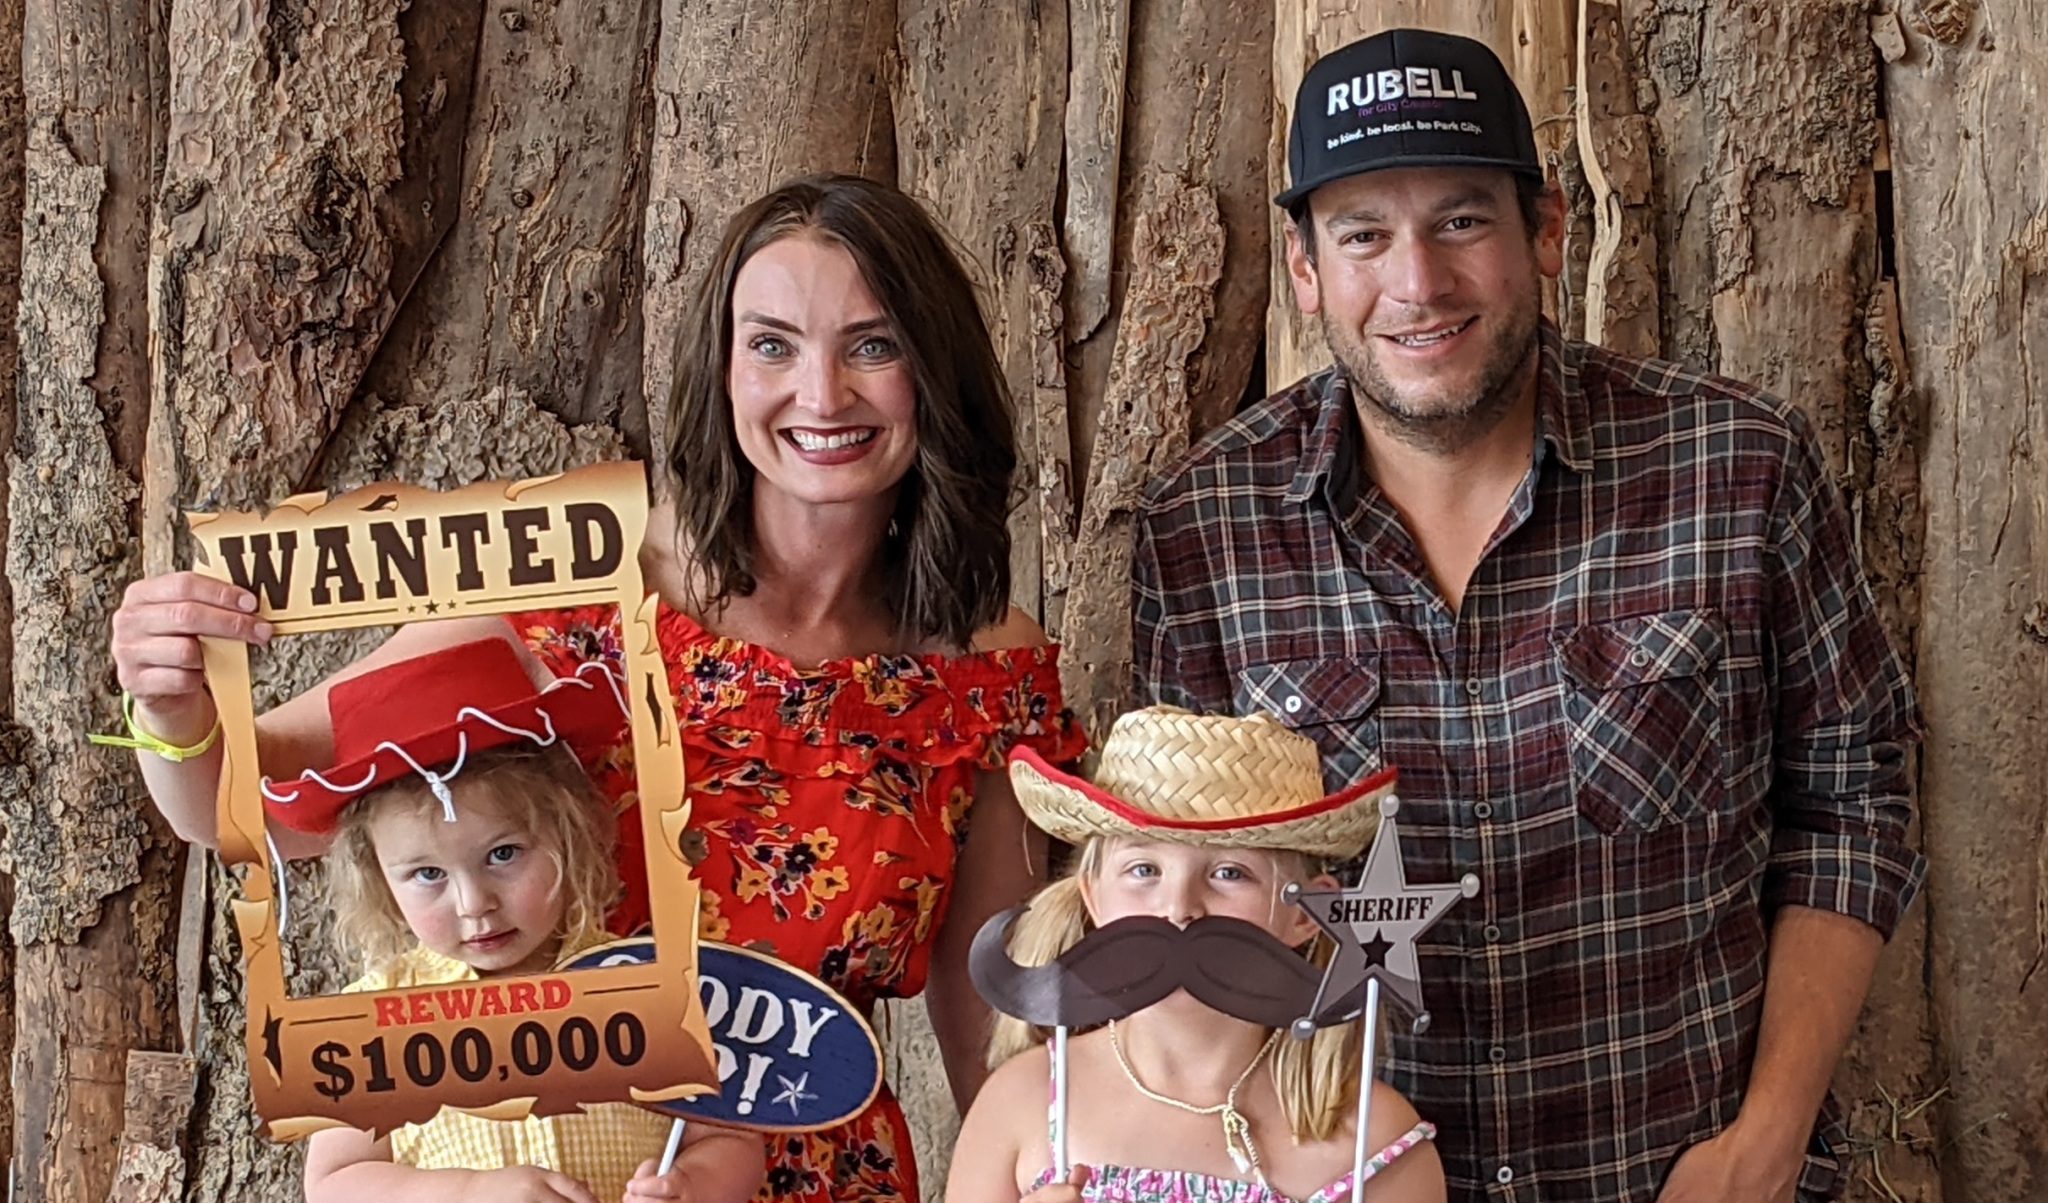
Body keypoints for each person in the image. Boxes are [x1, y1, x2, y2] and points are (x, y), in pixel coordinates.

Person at [108, 173, 1085, 1203]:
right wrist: (169, 706)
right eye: (772, 346)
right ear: (717, 370)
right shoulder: (571, 580)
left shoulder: (988, 678)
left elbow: (990, 1029)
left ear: (935, 372)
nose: (822, 392)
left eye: (873, 345)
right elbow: (245, 812)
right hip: (555, 1176)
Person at [1130, 27, 1924, 1203]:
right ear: (1304, 272)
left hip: (1678, 1178)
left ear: (1544, 231)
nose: (1415, 283)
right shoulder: (1205, 526)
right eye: (1362, 236)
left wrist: (1763, 1143)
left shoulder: (1733, 467)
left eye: (1458, 221)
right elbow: (1175, 897)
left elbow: (1853, 801)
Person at [286, 639, 762, 1203]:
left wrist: (693, 1186)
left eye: (504, 854)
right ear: (379, 880)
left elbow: (730, 1137)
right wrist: (468, 1193)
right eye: (426, 874)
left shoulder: (647, 985)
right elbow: (335, 1184)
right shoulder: (375, 1020)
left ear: (569, 832)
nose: (473, 903)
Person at [948, 707, 1446, 1203]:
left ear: (1306, 914)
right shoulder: (1021, 1105)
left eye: (1229, 873)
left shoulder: (1374, 1141)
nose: (1178, 909)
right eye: (1143, 869)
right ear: (1093, 897)